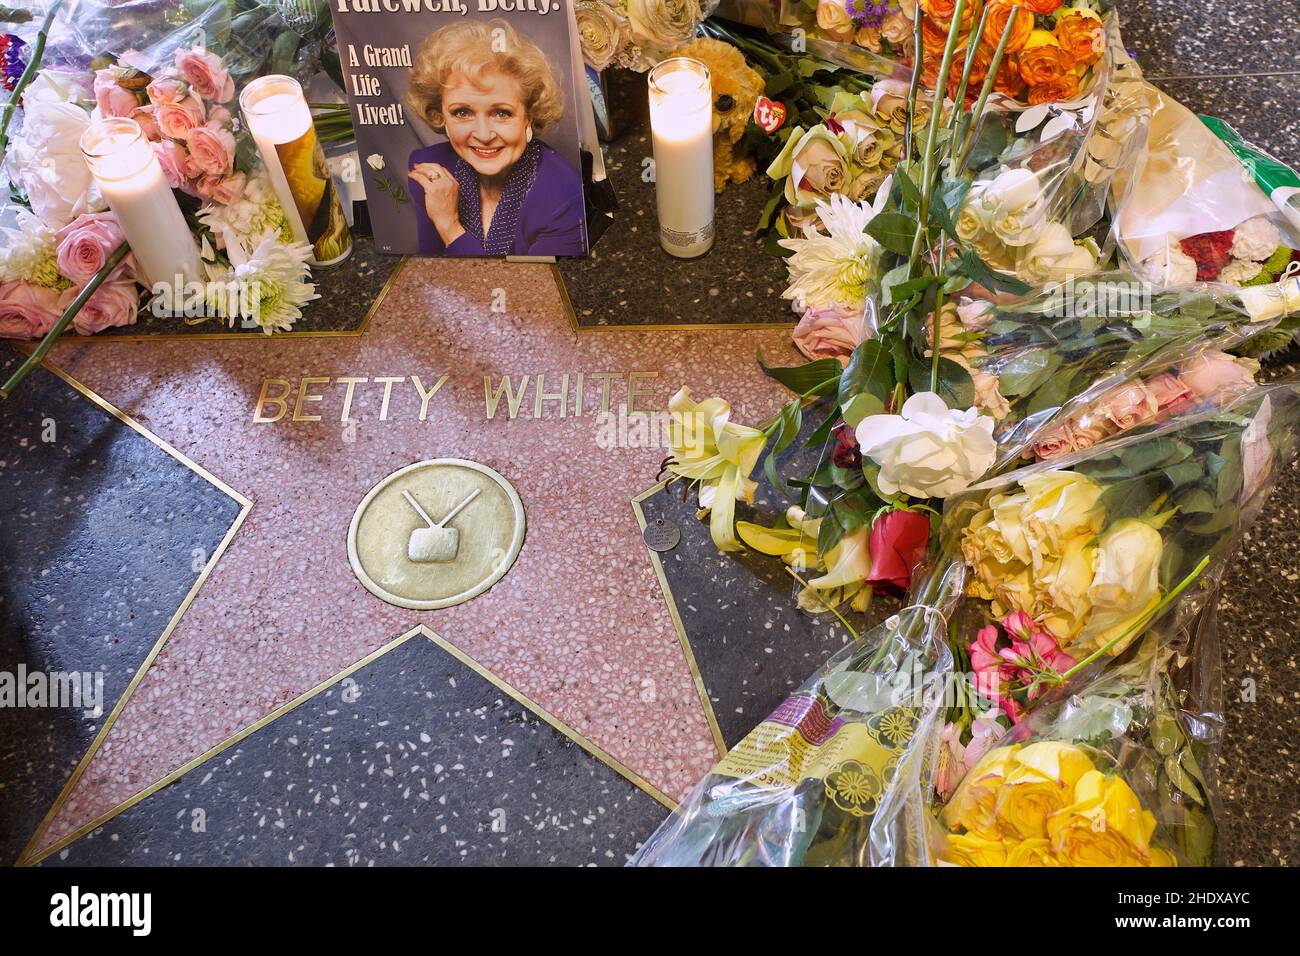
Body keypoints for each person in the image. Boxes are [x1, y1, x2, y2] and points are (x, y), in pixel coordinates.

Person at [405, 20, 586, 257]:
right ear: (441, 116)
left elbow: (527, 292)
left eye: (501, 113)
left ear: (529, 117)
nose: (483, 134)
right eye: (462, 112)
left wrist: (449, 226)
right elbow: (435, 274)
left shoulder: (565, 195)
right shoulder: (430, 174)